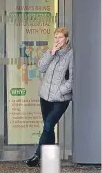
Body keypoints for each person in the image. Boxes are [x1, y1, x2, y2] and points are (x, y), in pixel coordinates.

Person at [26, 27, 73, 167]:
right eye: (56, 37)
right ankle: (51, 159)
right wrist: (51, 52)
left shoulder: (71, 55)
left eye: (60, 37)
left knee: (47, 125)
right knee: (49, 127)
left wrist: (60, 91)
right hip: (45, 96)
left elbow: (72, 80)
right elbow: (40, 68)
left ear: (66, 39)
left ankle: (37, 155)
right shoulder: (51, 53)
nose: (57, 40)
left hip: (60, 99)